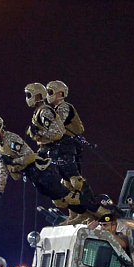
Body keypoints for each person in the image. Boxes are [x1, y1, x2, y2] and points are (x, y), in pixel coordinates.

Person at [0, 114, 107, 223]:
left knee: (68, 196)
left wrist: (14, 161)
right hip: (33, 177)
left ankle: (100, 211)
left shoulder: (11, 139)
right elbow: (3, 172)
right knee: (60, 200)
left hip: (39, 172)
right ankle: (86, 215)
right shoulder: (0, 147)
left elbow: (30, 156)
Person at [46, 80, 95, 225]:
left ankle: (90, 212)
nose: (48, 96)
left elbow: (57, 127)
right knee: (66, 183)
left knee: (75, 180)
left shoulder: (64, 107)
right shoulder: (56, 109)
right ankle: (74, 214)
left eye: (50, 92)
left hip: (69, 145)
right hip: (60, 147)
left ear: (60, 93)